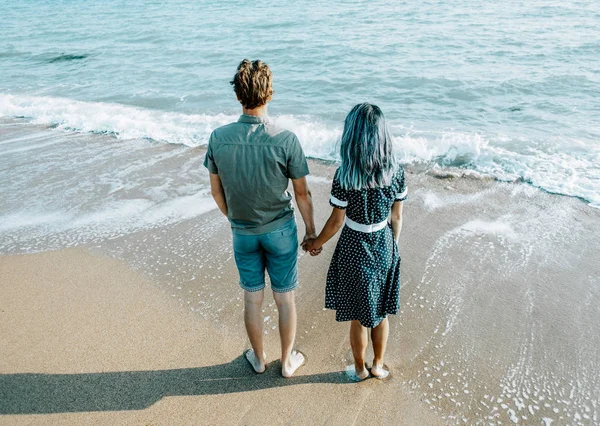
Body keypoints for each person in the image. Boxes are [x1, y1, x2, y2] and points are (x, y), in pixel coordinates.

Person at [204, 59, 315, 377]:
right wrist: (310, 232)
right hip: (280, 230)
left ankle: (259, 359)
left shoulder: (218, 138)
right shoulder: (286, 139)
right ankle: (287, 362)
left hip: (243, 232)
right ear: (270, 94)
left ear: (238, 96)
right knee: (285, 300)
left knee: (252, 300)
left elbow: (216, 192)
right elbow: (302, 194)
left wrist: (236, 219)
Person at [303, 103, 406, 381]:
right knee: (382, 313)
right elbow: (396, 218)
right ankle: (379, 365)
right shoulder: (396, 172)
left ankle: (359, 369)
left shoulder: (345, 175)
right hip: (384, 244)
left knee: (360, 316)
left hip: (353, 246)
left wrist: (315, 243)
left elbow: (336, 222)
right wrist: (392, 248)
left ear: (352, 137)